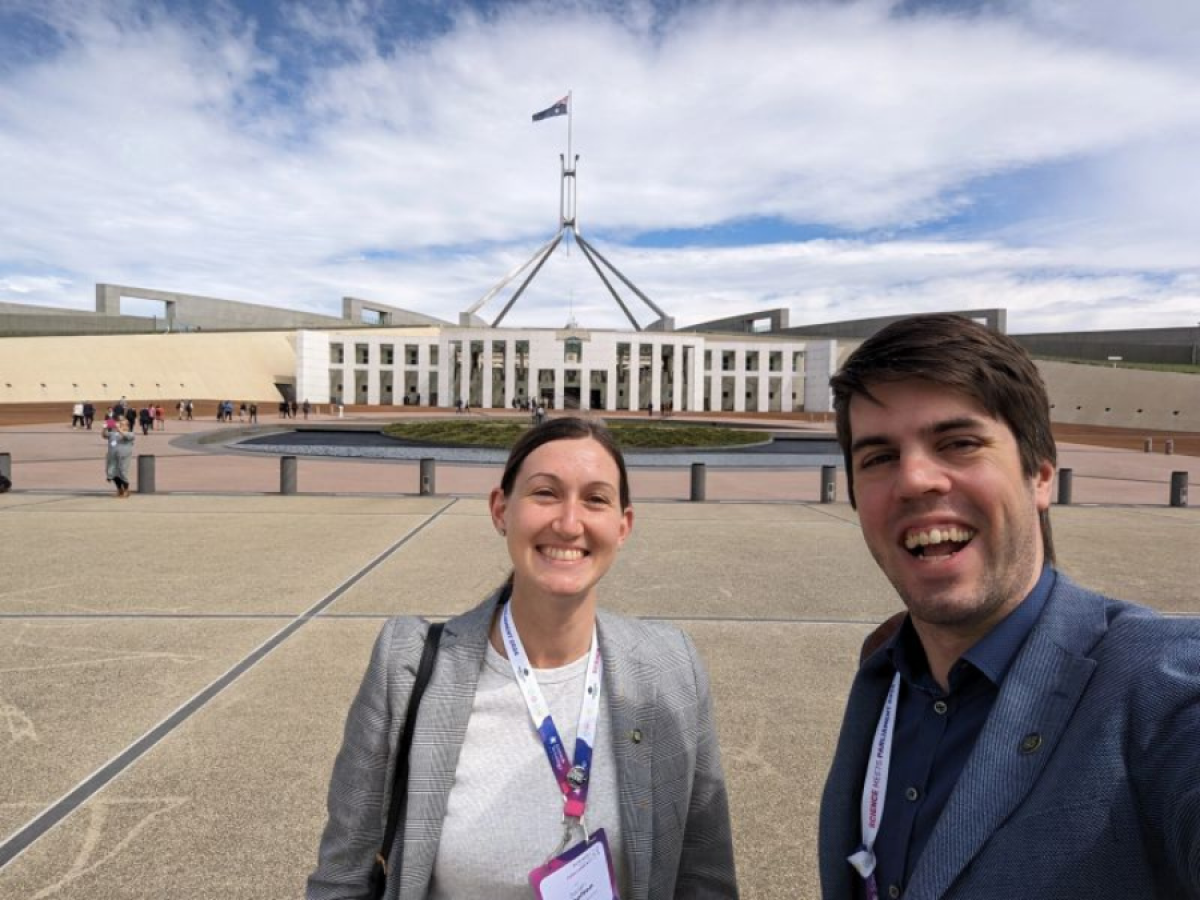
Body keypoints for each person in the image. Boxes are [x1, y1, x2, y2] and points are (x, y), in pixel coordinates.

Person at [817, 314, 1200, 900]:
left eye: (960, 443)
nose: (915, 479)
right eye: (878, 457)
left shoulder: (1161, 687)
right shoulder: (884, 668)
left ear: (1041, 475)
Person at [309, 417, 738, 900]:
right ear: (500, 510)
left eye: (595, 499)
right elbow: (341, 880)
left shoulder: (670, 669)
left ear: (623, 526)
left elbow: (705, 880)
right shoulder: (407, 668)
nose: (569, 523)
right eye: (545, 493)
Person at [103, 417, 136, 498]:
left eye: (122, 424)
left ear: (127, 426)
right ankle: (119, 489)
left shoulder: (130, 434)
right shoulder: (113, 433)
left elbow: (126, 436)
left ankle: (126, 490)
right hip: (112, 457)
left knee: (122, 472)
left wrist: (118, 429)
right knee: (112, 473)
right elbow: (104, 435)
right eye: (120, 423)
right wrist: (104, 428)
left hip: (123, 458)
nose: (120, 425)